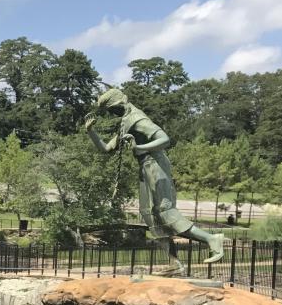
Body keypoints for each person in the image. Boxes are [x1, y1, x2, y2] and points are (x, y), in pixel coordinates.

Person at [83, 88, 225, 268]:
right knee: (150, 214)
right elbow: (106, 149)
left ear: (121, 103)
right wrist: (91, 131)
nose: (112, 114)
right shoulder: (125, 122)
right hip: (145, 168)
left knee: (165, 211)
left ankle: (212, 239)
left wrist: (141, 148)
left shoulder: (137, 119)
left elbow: (164, 139)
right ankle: (174, 264)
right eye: (110, 111)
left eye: (113, 109)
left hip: (156, 166)